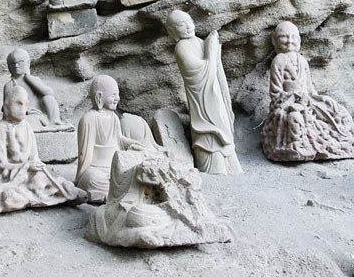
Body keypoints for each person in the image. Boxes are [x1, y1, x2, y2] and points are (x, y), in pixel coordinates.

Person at [0, 87, 87, 214]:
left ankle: (65, 192)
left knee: (41, 181)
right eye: (18, 103)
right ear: (6, 106)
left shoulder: (27, 127)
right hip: (6, 176)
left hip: (28, 173)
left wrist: (35, 165)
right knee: (8, 194)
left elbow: (34, 157)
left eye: (25, 104)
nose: (23, 108)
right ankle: (26, 197)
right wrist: (25, 166)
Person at [261, 21, 354, 162]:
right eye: (284, 37)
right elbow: (275, 93)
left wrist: (322, 98)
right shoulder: (279, 61)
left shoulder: (302, 61)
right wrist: (292, 98)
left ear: (299, 40)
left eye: (293, 37)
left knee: (336, 109)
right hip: (289, 103)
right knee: (295, 117)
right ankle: (297, 146)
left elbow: (310, 89)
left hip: (308, 100)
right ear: (275, 41)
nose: (289, 41)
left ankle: (344, 137)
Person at [165, 10, 241, 175]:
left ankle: (230, 164)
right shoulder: (181, 47)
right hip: (201, 100)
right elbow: (202, 74)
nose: (188, 26)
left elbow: (215, 71)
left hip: (216, 97)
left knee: (222, 125)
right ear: (172, 31)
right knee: (209, 133)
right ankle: (213, 166)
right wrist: (212, 51)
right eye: (181, 24)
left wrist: (214, 51)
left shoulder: (200, 42)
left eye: (190, 21)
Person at [76, 75, 149, 202]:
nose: (117, 98)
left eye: (118, 94)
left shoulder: (114, 117)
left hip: (116, 167)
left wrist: (132, 144)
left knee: (135, 170)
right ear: (99, 97)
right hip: (98, 169)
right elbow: (84, 153)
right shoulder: (89, 119)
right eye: (113, 95)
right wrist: (80, 177)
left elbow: (119, 140)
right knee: (92, 178)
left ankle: (117, 190)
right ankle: (114, 193)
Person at [3, 48, 66, 130]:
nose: (16, 66)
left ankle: (54, 121)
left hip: (38, 111)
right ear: (8, 66)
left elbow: (49, 93)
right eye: (12, 63)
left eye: (20, 62)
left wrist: (31, 80)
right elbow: (6, 107)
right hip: (22, 114)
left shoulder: (34, 79)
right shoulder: (9, 85)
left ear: (27, 63)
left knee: (49, 98)